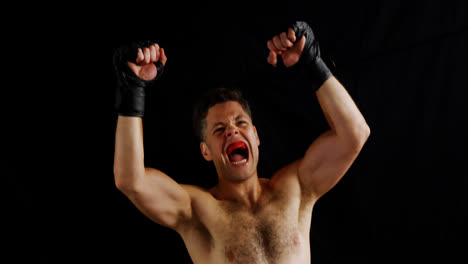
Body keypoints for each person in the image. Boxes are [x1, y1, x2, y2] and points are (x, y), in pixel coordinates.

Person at [113, 22, 370, 263]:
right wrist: (133, 90)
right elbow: (130, 181)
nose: (232, 132)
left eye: (241, 123)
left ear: (256, 137)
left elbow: (354, 134)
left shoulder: (295, 188)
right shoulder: (197, 211)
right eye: (219, 128)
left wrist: (313, 63)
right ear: (206, 151)